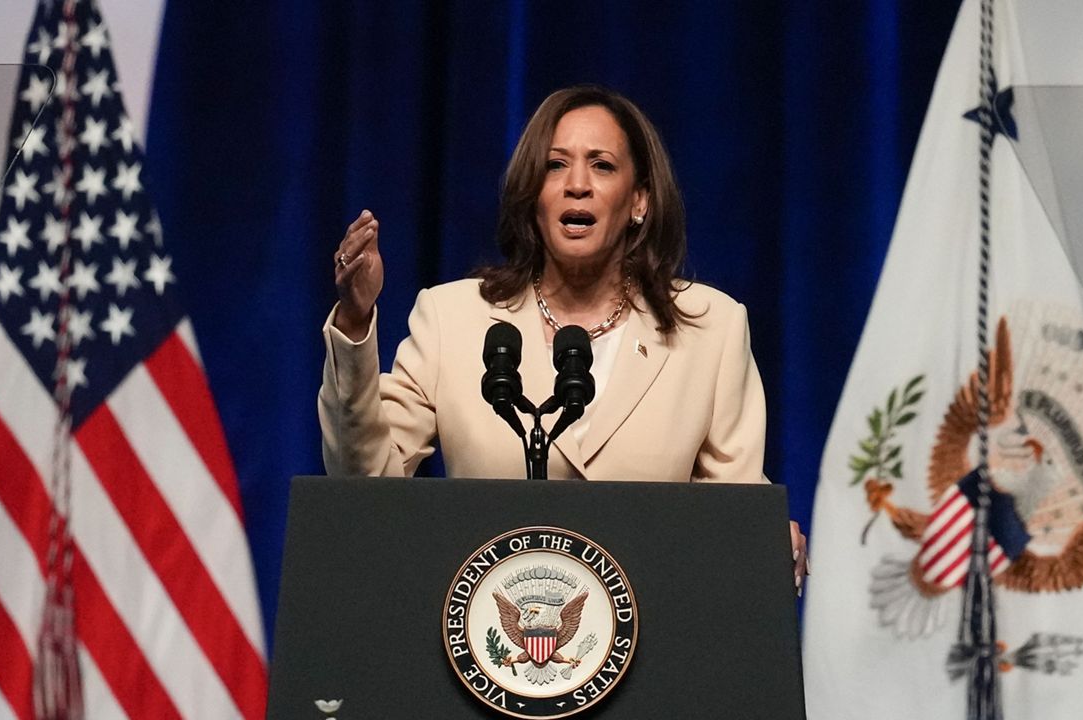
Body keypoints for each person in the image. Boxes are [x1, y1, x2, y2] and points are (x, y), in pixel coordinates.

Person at [319, 85, 807, 590]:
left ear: (639, 200)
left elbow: (733, 509)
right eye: (556, 165)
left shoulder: (710, 327)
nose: (578, 185)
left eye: (601, 165)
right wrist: (356, 322)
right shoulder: (452, 317)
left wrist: (766, 540)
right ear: (534, 197)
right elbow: (366, 484)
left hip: (655, 640)